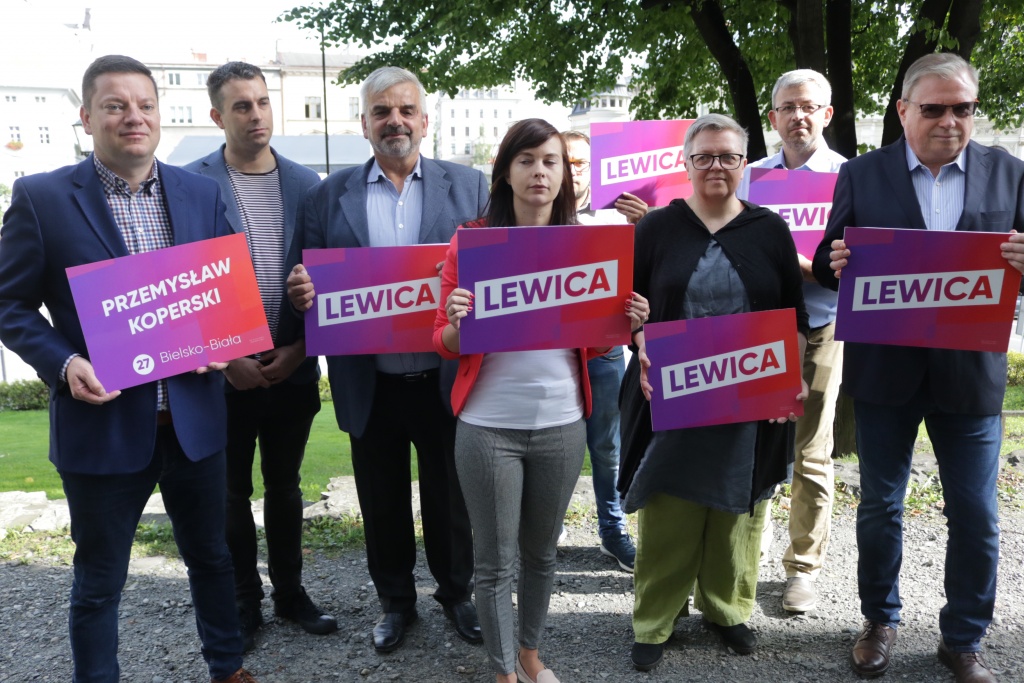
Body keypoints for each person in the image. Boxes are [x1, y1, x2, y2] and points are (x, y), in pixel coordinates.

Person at [0, 55, 256, 683]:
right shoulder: (42, 198)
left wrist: (225, 336)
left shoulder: (201, 192)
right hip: (103, 427)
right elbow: (8, 303)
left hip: (194, 422)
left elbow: (222, 290)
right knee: (98, 581)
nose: (133, 117)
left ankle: (227, 669)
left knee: (213, 560)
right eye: (115, 105)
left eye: (145, 104)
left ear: (160, 115)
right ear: (87, 117)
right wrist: (64, 363)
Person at [813, 52, 1024, 682]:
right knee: (880, 506)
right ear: (904, 110)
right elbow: (827, 258)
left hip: (971, 374)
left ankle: (964, 640)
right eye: (934, 108)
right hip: (886, 371)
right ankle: (879, 621)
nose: (949, 121)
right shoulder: (862, 174)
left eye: (963, 108)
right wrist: (836, 261)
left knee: (977, 515)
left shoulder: (1010, 173)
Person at [433, 118, 648, 683]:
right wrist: (456, 321)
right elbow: (444, 342)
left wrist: (625, 322)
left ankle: (529, 655)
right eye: (526, 160)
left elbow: (597, 343)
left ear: (564, 175)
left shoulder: (585, 245)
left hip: (562, 423)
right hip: (487, 426)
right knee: (494, 562)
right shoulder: (471, 241)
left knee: (542, 554)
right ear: (505, 172)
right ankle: (504, 672)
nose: (540, 172)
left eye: (551, 161)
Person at [286, 66, 485, 653]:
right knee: (381, 500)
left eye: (405, 110)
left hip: (446, 377)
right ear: (364, 123)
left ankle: (457, 594)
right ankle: (396, 603)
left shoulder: (471, 187)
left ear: (425, 120)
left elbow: (499, 269)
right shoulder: (327, 196)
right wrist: (301, 294)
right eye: (381, 111)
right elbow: (302, 282)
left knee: (452, 499)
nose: (394, 121)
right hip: (368, 380)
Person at [620, 113, 808, 671]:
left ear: (744, 163)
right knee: (669, 504)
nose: (716, 166)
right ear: (686, 163)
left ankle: (727, 610)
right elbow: (626, 309)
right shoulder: (656, 228)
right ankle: (655, 618)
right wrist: (640, 343)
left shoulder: (770, 229)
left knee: (738, 510)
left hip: (750, 394)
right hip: (673, 391)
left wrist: (791, 375)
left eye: (728, 156)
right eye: (703, 156)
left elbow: (794, 313)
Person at [183, 61, 334, 651]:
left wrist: (301, 349)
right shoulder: (190, 184)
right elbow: (182, 286)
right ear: (217, 115)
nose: (255, 115)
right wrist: (227, 358)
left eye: (262, 102)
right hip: (224, 376)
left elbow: (329, 280)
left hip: (292, 367)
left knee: (285, 487)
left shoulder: (307, 184)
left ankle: (290, 594)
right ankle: (244, 600)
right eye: (241, 106)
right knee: (229, 494)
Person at [743, 69, 847, 613]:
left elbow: (861, 263)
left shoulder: (850, 177)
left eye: (808, 107)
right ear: (773, 117)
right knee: (750, 444)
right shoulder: (749, 176)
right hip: (758, 328)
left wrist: (806, 267)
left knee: (810, 453)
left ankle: (802, 569)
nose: (797, 116)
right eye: (787, 107)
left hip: (823, 326)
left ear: (826, 114)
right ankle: (742, 556)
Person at [559, 129, 649, 572]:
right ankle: (546, 525)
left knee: (607, 449)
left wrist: (644, 227)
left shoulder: (619, 218)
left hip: (605, 352)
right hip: (553, 356)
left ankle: (612, 531)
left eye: (581, 163)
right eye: (564, 161)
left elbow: (647, 274)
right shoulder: (533, 218)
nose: (572, 171)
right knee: (553, 448)